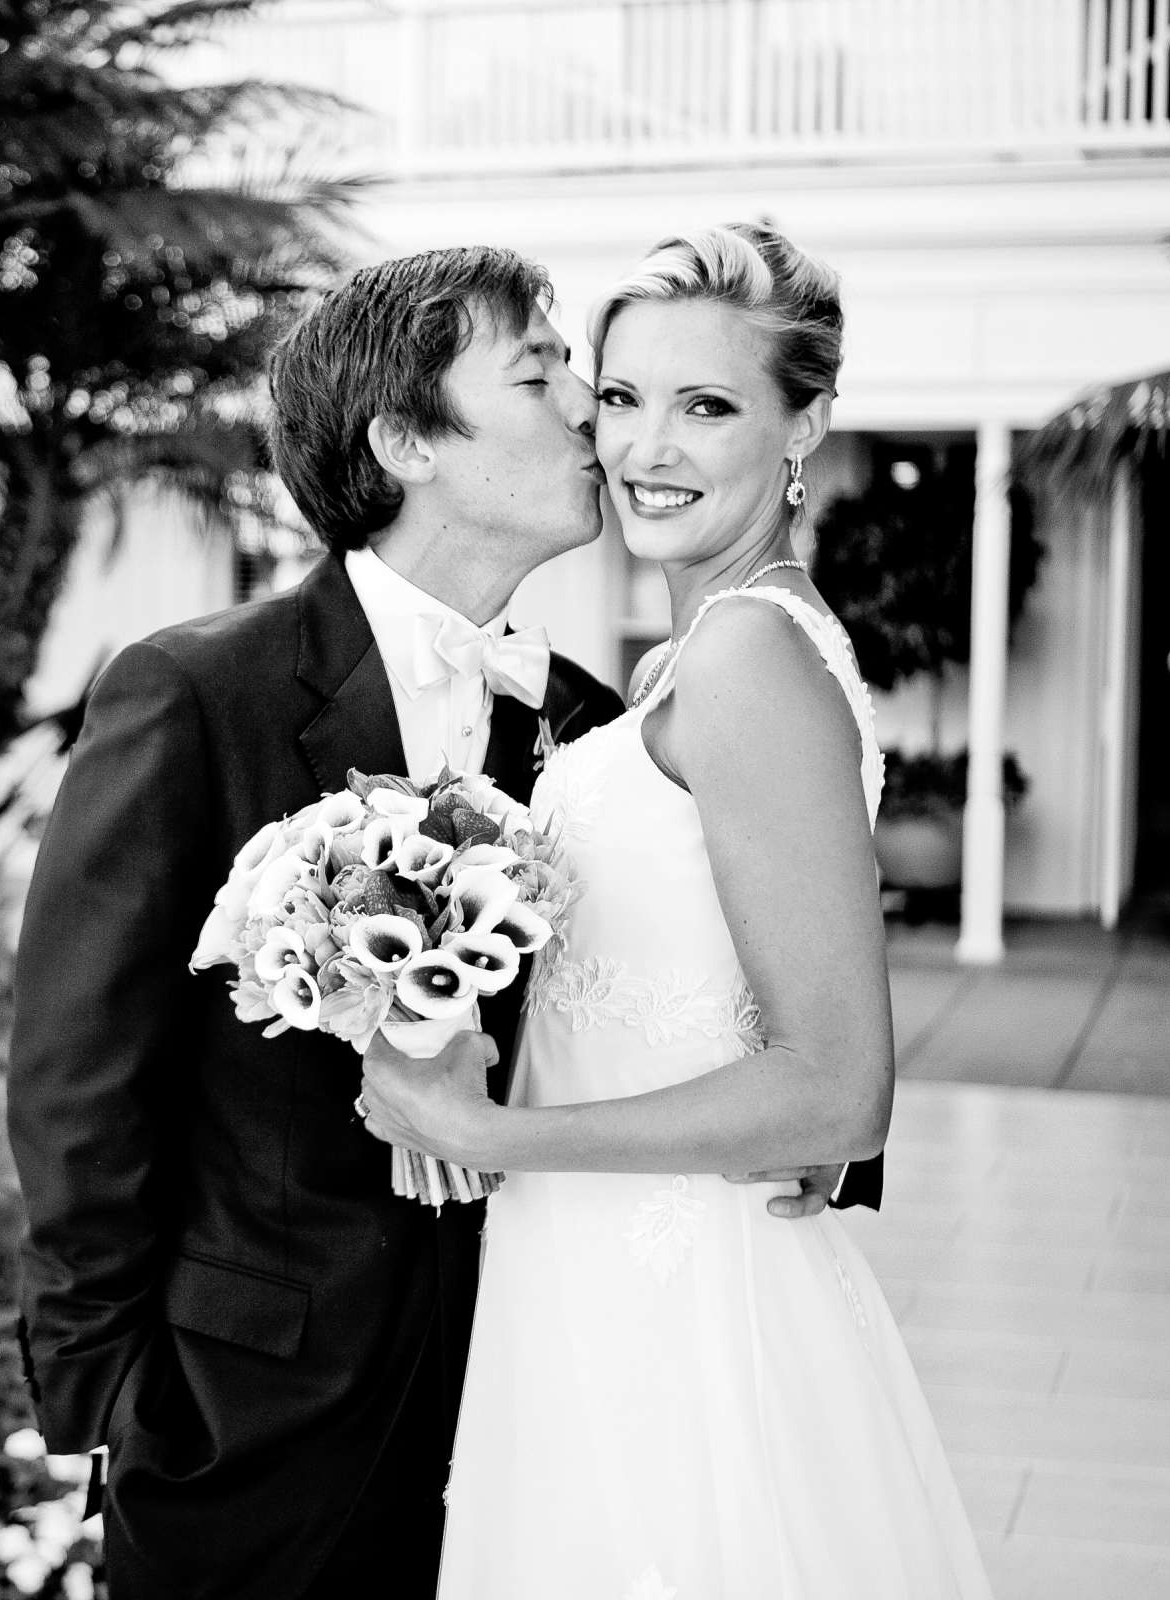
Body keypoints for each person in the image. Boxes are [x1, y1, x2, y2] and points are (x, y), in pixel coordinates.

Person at [7, 244, 884, 1600]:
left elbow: (745, 952)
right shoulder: (194, 693)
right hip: (251, 1410)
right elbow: (80, 1074)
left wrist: (810, 1146)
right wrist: (109, 1399)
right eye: (548, 380)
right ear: (410, 439)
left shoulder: (591, 719)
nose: (598, 420)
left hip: (543, 1374)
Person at [358, 223, 990, 1599]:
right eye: (624, 396)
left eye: (708, 406)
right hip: (591, 1263)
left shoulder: (752, 656)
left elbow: (838, 1094)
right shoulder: (696, 652)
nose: (648, 445)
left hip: (675, 1294)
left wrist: (486, 1128)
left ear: (803, 425)